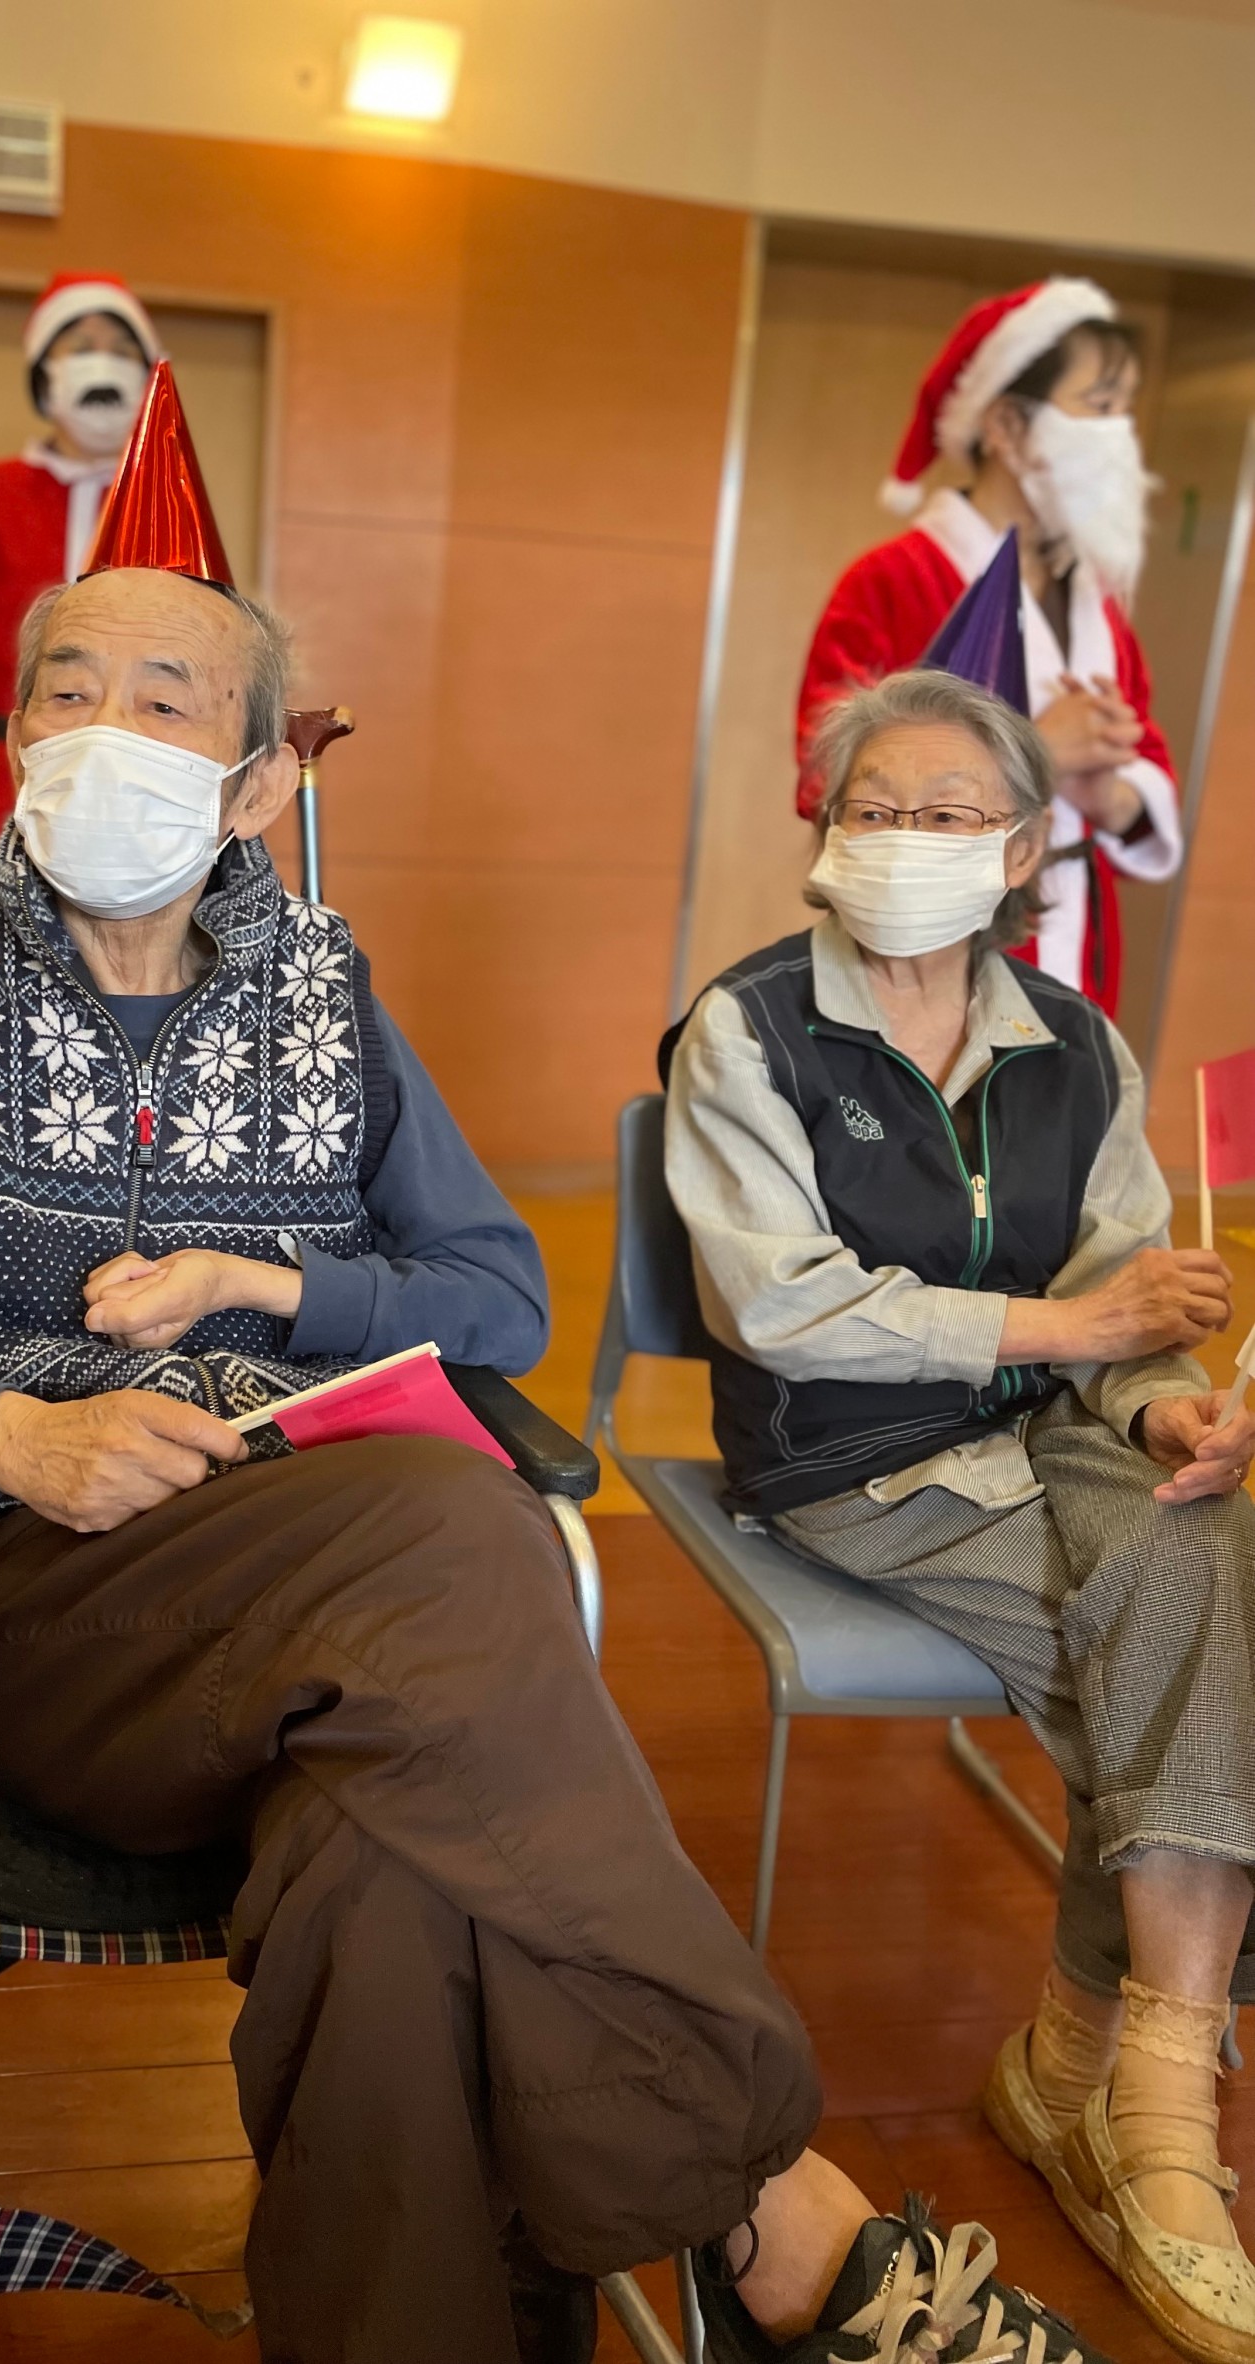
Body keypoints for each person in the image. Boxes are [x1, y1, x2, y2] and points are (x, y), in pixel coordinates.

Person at [0, 368, 1107, 2364]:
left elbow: (493, 1294)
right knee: (466, 1536)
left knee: (383, 1879)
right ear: (11, 745)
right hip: (42, 1604)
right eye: (62, 692)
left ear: (253, 787)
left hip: (341, 1620)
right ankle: (772, 2209)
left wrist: (270, 1288)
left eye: (162, 701)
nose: (97, 732)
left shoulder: (327, 1002)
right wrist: (1, 1428)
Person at [667, 655, 1255, 2364]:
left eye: (950, 812)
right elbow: (777, 1306)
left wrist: (1157, 1399)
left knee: (1202, 1542)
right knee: (1184, 1664)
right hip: (858, 1459)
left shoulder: (1074, 1043)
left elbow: (1120, 1286)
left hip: (1057, 1427)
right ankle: (1138, 2098)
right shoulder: (748, 1028)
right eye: (876, 806)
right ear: (822, 831)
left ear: (1018, 853)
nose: (907, 835)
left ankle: (1091, 2067)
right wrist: (1078, 1333)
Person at [795, 279, 1183, 1017]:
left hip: (1076, 937)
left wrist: (1109, 795)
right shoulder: (891, 581)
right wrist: (1038, 754)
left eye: (1126, 408)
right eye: (1099, 405)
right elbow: (829, 779)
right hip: (935, 954)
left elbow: (1146, 763)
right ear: (1005, 425)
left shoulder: (1096, 601)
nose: (1122, 437)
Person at [0, 271, 161, 889]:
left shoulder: (165, 504)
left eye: (121, 348)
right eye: (81, 346)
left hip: (128, 805)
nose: (102, 362)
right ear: (43, 371)